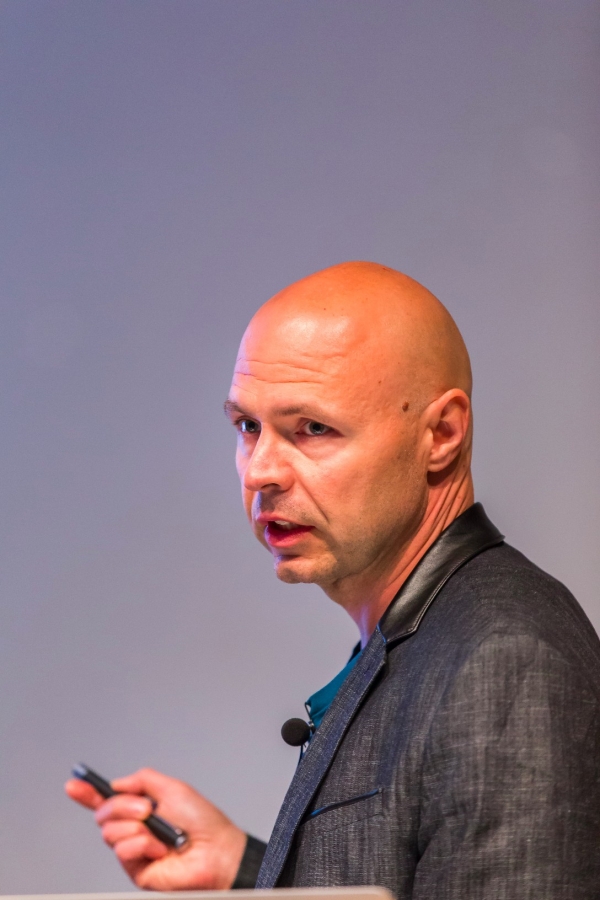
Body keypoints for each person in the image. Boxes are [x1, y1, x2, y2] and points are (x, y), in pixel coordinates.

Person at [66, 262, 600, 897]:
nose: (260, 472)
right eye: (247, 427)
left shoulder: (506, 659)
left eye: (312, 429)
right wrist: (241, 869)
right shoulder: (428, 633)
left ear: (441, 434)